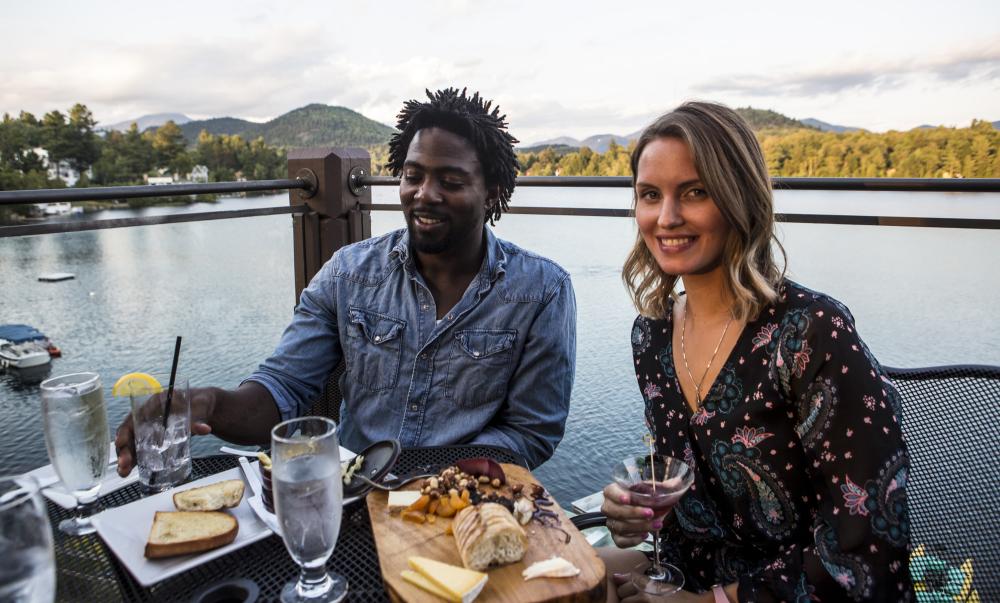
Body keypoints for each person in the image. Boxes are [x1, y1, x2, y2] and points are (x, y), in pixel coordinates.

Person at [115, 88, 576, 472]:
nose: (424, 194)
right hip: (357, 499)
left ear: (492, 191)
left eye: (451, 181)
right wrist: (208, 404)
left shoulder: (541, 290)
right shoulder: (348, 273)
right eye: (412, 176)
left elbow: (531, 432)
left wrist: (434, 482)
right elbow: (284, 389)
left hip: (470, 503)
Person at [599, 102, 912, 602]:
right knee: (567, 573)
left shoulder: (811, 334)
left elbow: (866, 549)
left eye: (695, 192)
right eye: (650, 195)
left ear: (739, 197)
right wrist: (634, 512)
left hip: (787, 592)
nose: (667, 217)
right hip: (689, 571)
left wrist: (708, 601)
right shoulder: (651, 335)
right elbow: (682, 487)